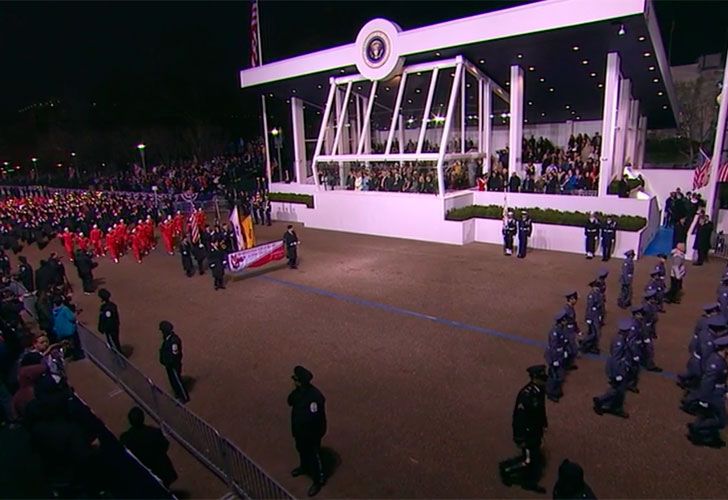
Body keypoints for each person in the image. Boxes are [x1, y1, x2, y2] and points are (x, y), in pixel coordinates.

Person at [499, 365, 548, 494]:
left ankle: (529, 480)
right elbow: (519, 418)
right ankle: (507, 470)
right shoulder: (526, 395)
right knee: (529, 460)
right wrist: (519, 437)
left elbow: (541, 410)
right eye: (542, 378)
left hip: (535, 430)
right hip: (527, 432)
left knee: (533, 456)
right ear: (535, 378)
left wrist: (544, 424)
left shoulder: (539, 390)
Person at [288, 365, 327, 497]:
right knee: (301, 449)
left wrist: (315, 435)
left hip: (311, 434)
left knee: (314, 456)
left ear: (300, 381)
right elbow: (289, 401)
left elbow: (315, 419)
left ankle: (318, 480)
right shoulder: (298, 393)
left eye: (296, 380)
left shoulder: (314, 396)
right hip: (299, 432)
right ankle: (304, 467)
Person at [687, 330, 728, 448]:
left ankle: (701, 433)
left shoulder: (721, 359)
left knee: (711, 416)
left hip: (718, 392)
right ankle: (697, 429)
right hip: (714, 394)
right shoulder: (715, 363)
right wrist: (704, 400)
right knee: (721, 421)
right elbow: (707, 382)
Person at [120, 407, 178, 487]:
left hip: (143, 471)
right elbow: (165, 445)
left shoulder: (126, 438)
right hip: (160, 468)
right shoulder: (154, 432)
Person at [593, 318, 632, 418]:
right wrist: (617, 374)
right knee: (618, 390)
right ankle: (601, 401)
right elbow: (616, 359)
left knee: (619, 390)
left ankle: (613, 406)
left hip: (620, 367)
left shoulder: (619, 338)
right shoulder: (620, 341)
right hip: (617, 369)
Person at [677, 303, 721, 390]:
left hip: (696, 344)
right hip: (699, 346)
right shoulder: (707, 323)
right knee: (698, 370)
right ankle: (687, 381)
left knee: (695, 366)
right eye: (716, 312)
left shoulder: (703, 319)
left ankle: (685, 377)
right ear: (712, 312)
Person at [158, 321, 189, 403]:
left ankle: (184, 397)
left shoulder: (174, 340)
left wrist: (169, 363)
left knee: (177, 380)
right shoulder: (167, 339)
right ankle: (178, 395)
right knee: (173, 380)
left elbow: (175, 354)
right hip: (169, 365)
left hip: (173, 365)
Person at [545, 309, 569, 402]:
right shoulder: (555, 332)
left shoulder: (561, 329)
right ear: (561, 320)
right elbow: (553, 347)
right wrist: (554, 360)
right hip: (554, 356)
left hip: (559, 355)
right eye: (565, 319)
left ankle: (554, 389)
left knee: (557, 374)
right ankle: (551, 392)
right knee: (556, 375)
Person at [579, 281, 601, 355]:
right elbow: (589, 308)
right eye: (596, 287)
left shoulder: (598, 294)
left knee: (594, 333)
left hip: (596, 316)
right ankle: (583, 342)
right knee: (594, 334)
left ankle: (591, 347)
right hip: (592, 317)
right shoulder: (591, 295)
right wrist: (588, 318)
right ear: (593, 287)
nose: (597, 288)